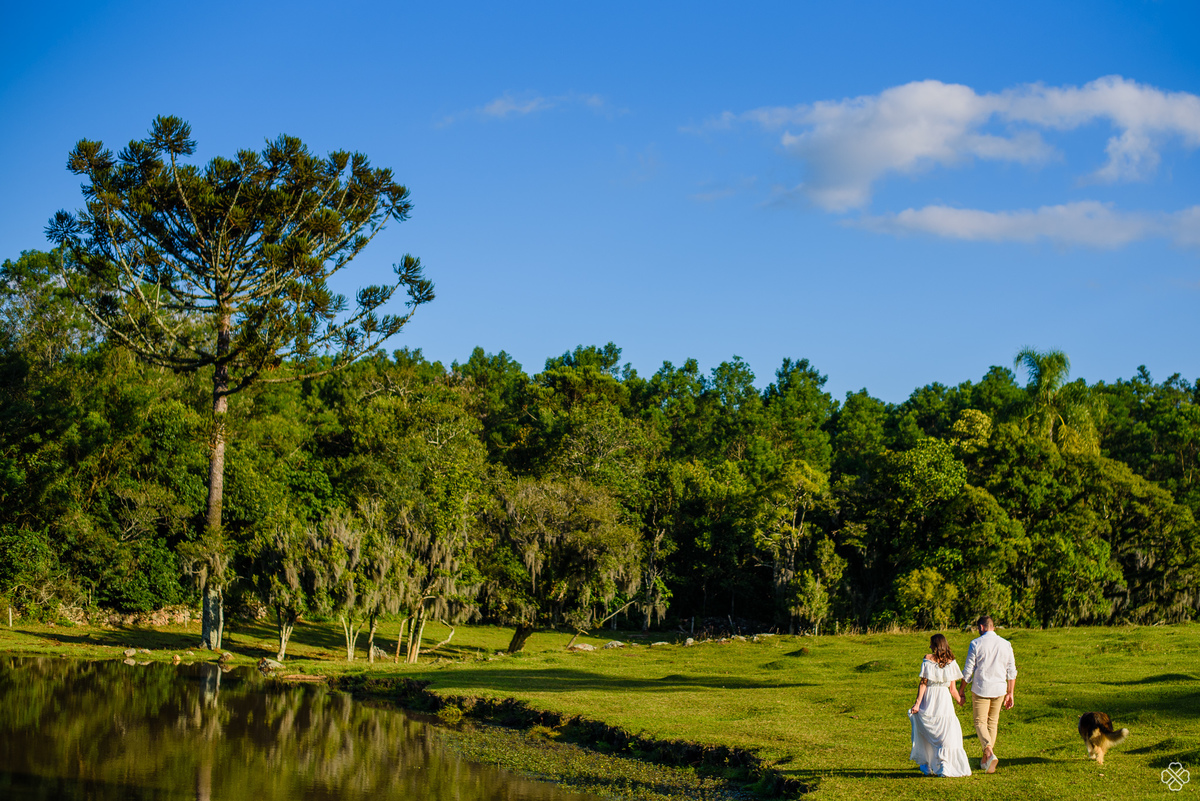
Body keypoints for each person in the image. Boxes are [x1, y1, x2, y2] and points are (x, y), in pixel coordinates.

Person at [908, 633, 972, 777]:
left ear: (935, 645)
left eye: (931, 643)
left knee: (933, 731)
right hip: (940, 699)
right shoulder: (948, 661)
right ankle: (937, 764)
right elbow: (952, 689)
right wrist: (959, 699)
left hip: (935, 699)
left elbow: (925, 683)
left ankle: (936, 764)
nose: (929, 646)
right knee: (942, 732)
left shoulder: (930, 659)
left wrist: (918, 703)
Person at [961, 615, 1018, 773]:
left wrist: (961, 689)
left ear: (981, 627)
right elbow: (1012, 671)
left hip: (981, 688)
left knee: (980, 722)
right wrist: (1010, 692)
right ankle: (986, 759)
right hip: (1000, 689)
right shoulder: (1006, 644)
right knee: (992, 722)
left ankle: (988, 751)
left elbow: (968, 671)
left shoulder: (976, 643)